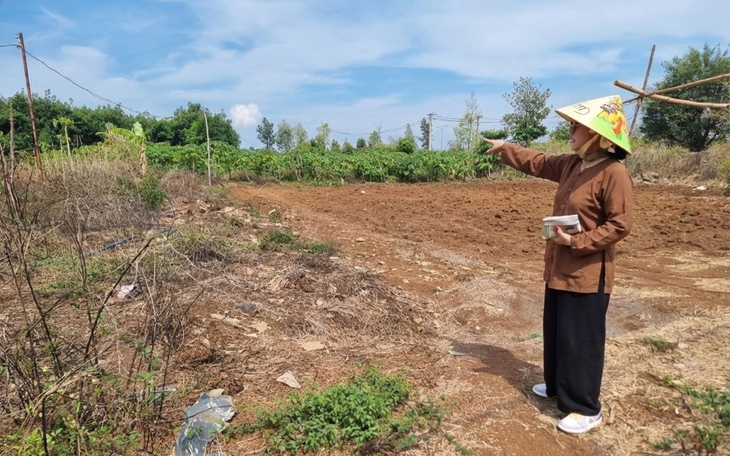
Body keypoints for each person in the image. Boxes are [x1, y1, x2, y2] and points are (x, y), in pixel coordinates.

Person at [482, 95, 634, 434]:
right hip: (559, 267)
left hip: (587, 272)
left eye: (577, 126)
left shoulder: (614, 173)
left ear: (598, 135)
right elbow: (538, 161)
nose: (571, 130)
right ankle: (557, 388)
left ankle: (585, 408)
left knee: (581, 339)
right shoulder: (571, 165)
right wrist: (506, 148)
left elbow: (620, 225)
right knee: (557, 332)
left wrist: (576, 242)